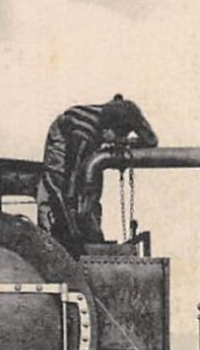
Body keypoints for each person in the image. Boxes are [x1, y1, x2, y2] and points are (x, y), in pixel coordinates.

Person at [37, 95, 159, 254]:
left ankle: (90, 231)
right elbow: (72, 173)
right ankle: (59, 234)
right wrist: (71, 220)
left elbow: (151, 141)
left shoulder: (130, 114)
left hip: (88, 136)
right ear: (105, 129)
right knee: (58, 185)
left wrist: (125, 142)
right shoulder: (84, 132)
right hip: (64, 134)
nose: (113, 140)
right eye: (113, 136)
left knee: (91, 187)